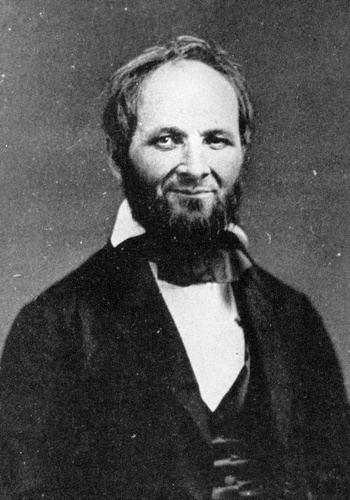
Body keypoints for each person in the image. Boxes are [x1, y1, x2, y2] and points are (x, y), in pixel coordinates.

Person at [0, 36, 349, 500]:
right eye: (167, 140)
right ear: (116, 156)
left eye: (215, 139)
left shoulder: (293, 317)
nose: (195, 167)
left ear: (243, 149)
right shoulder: (54, 327)